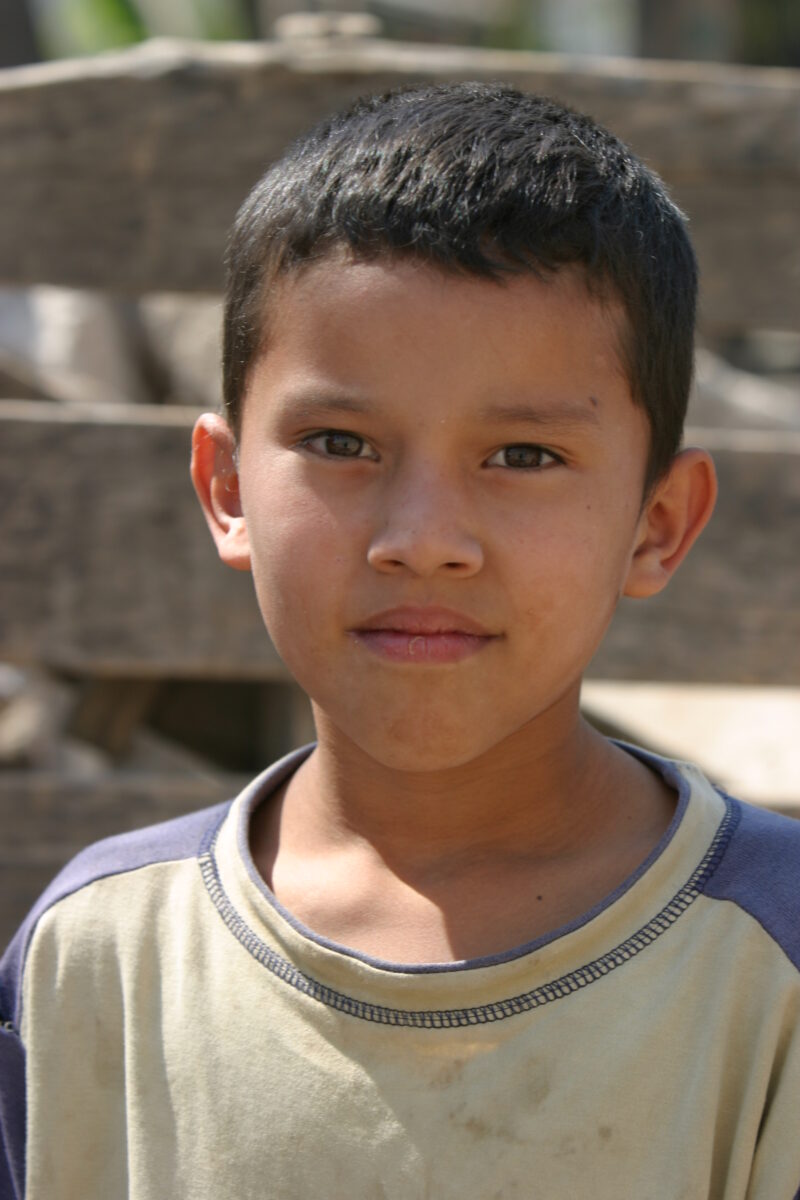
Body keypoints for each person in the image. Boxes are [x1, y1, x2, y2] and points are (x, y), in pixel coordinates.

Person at [1, 82, 799, 1200]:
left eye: (521, 456)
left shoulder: (768, 965)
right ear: (226, 488)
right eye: (340, 441)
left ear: (655, 525)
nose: (423, 541)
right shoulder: (97, 956)